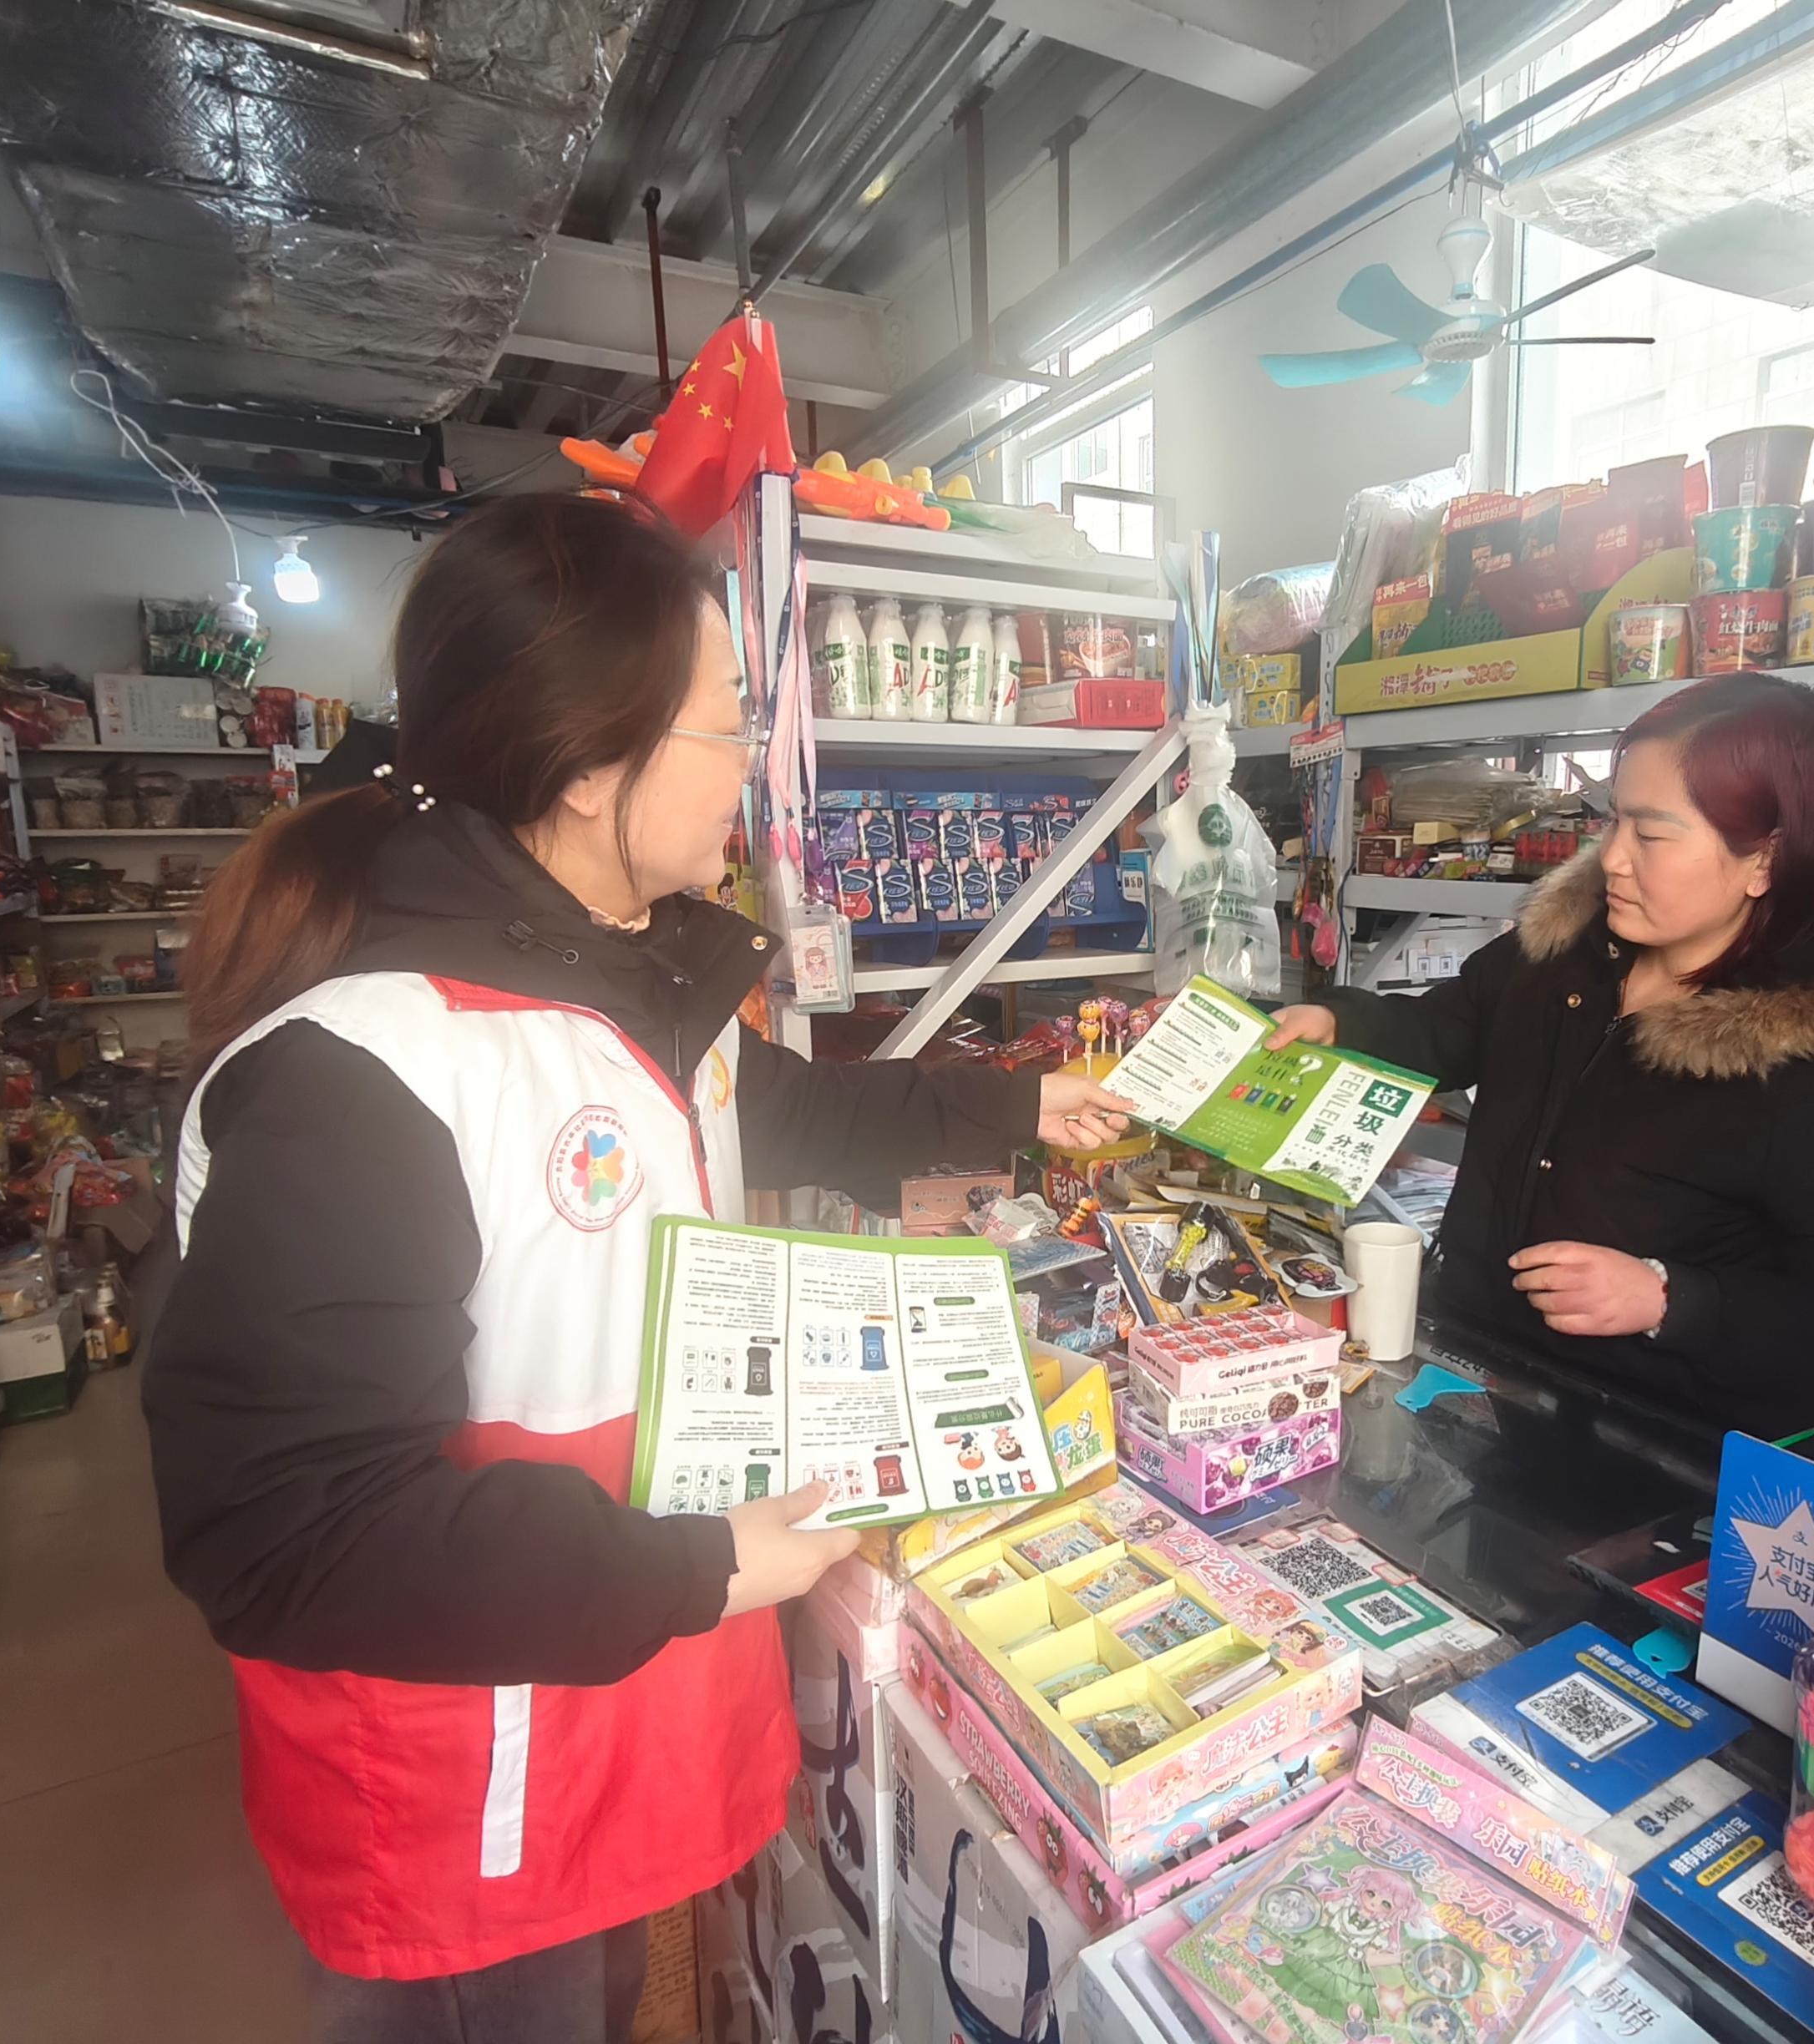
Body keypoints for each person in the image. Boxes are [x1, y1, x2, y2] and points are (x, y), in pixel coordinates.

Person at [144, 493, 1132, 2041]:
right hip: (465, 1795)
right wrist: (704, 1568)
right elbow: (282, 1531)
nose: (751, 766)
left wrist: (1018, 1108)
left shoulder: (635, 976)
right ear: (590, 763)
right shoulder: (370, 1066)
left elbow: (775, 1106)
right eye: (728, 722)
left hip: (606, 1716)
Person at [1270, 673, 1814, 1437]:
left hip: (1652, 1450)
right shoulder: (1565, 955)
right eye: (1614, 822)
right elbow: (1446, 1030)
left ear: (1766, 859)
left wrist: (1670, 1299)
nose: (1614, 860)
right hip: (1474, 1381)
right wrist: (1342, 1024)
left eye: (1652, 835)